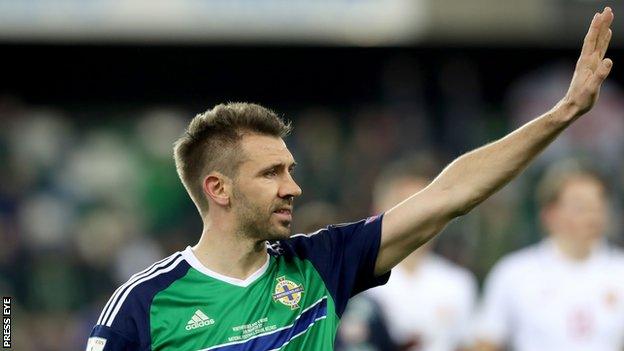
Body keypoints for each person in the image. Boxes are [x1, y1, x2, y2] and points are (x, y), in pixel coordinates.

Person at [86, 7, 615, 351]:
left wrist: (563, 114)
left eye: (290, 170)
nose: (292, 187)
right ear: (218, 189)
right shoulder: (144, 304)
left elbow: (451, 193)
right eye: (271, 173)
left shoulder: (324, 263)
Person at [473, 160, 624, 351]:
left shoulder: (620, 271)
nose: (593, 216)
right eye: (581, 207)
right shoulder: (514, 272)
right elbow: (486, 341)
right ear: (549, 214)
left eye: (599, 205)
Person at [365, 155, 477, 351]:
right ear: (378, 212)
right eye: (405, 204)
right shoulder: (357, 284)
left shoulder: (458, 283)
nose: (417, 216)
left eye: (425, 206)